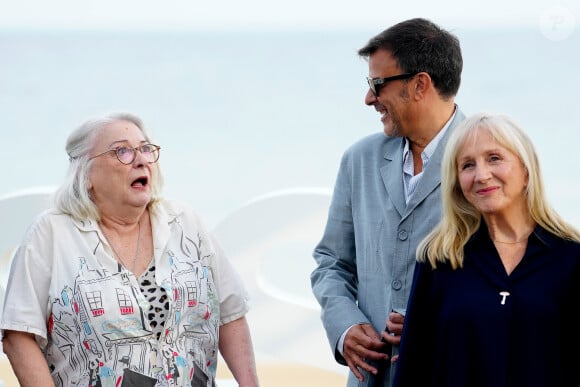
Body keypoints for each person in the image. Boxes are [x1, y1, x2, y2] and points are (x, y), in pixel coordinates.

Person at [0, 112, 260, 387]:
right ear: (86, 173)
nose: (141, 160)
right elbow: (19, 335)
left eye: (146, 149)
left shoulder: (185, 223)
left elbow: (230, 314)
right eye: (122, 151)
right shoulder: (51, 233)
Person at [310, 18, 465, 386]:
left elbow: (506, 281)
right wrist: (346, 327)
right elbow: (331, 263)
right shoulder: (358, 160)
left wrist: (435, 322)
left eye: (377, 84)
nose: (369, 98)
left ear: (420, 84)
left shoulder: (484, 164)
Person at [393, 113, 580, 387]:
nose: (481, 175)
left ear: (526, 171)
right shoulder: (438, 260)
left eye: (494, 158)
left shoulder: (571, 259)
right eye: (467, 165)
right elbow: (413, 371)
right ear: (457, 181)